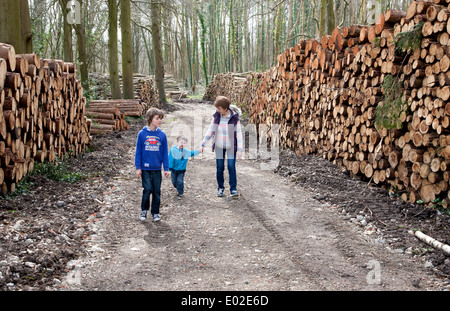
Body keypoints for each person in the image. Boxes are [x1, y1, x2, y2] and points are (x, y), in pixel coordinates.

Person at [199, 96, 243, 198]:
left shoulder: (234, 119)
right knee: (220, 168)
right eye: (217, 108)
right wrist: (203, 143)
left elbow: (239, 134)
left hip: (231, 147)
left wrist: (240, 149)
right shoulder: (216, 117)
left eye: (219, 108)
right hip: (219, 146)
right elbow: (210, 131)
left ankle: (233, 189)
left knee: (231, 167)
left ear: (225, 108)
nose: (217, 110)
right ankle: (220, 188)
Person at [135, 107, 170, 222]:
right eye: (157, 118)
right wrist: (138, 167)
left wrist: (166, 168)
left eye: (161, 118)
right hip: (145, 168)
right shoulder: (142, 134)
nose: (160, 120)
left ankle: (155, 212)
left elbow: (165, 153)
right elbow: (138, 152)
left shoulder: (162, 135)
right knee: (148, 188)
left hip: (156, 169)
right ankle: (144, 210)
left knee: (156, 190)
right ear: (150, 119)